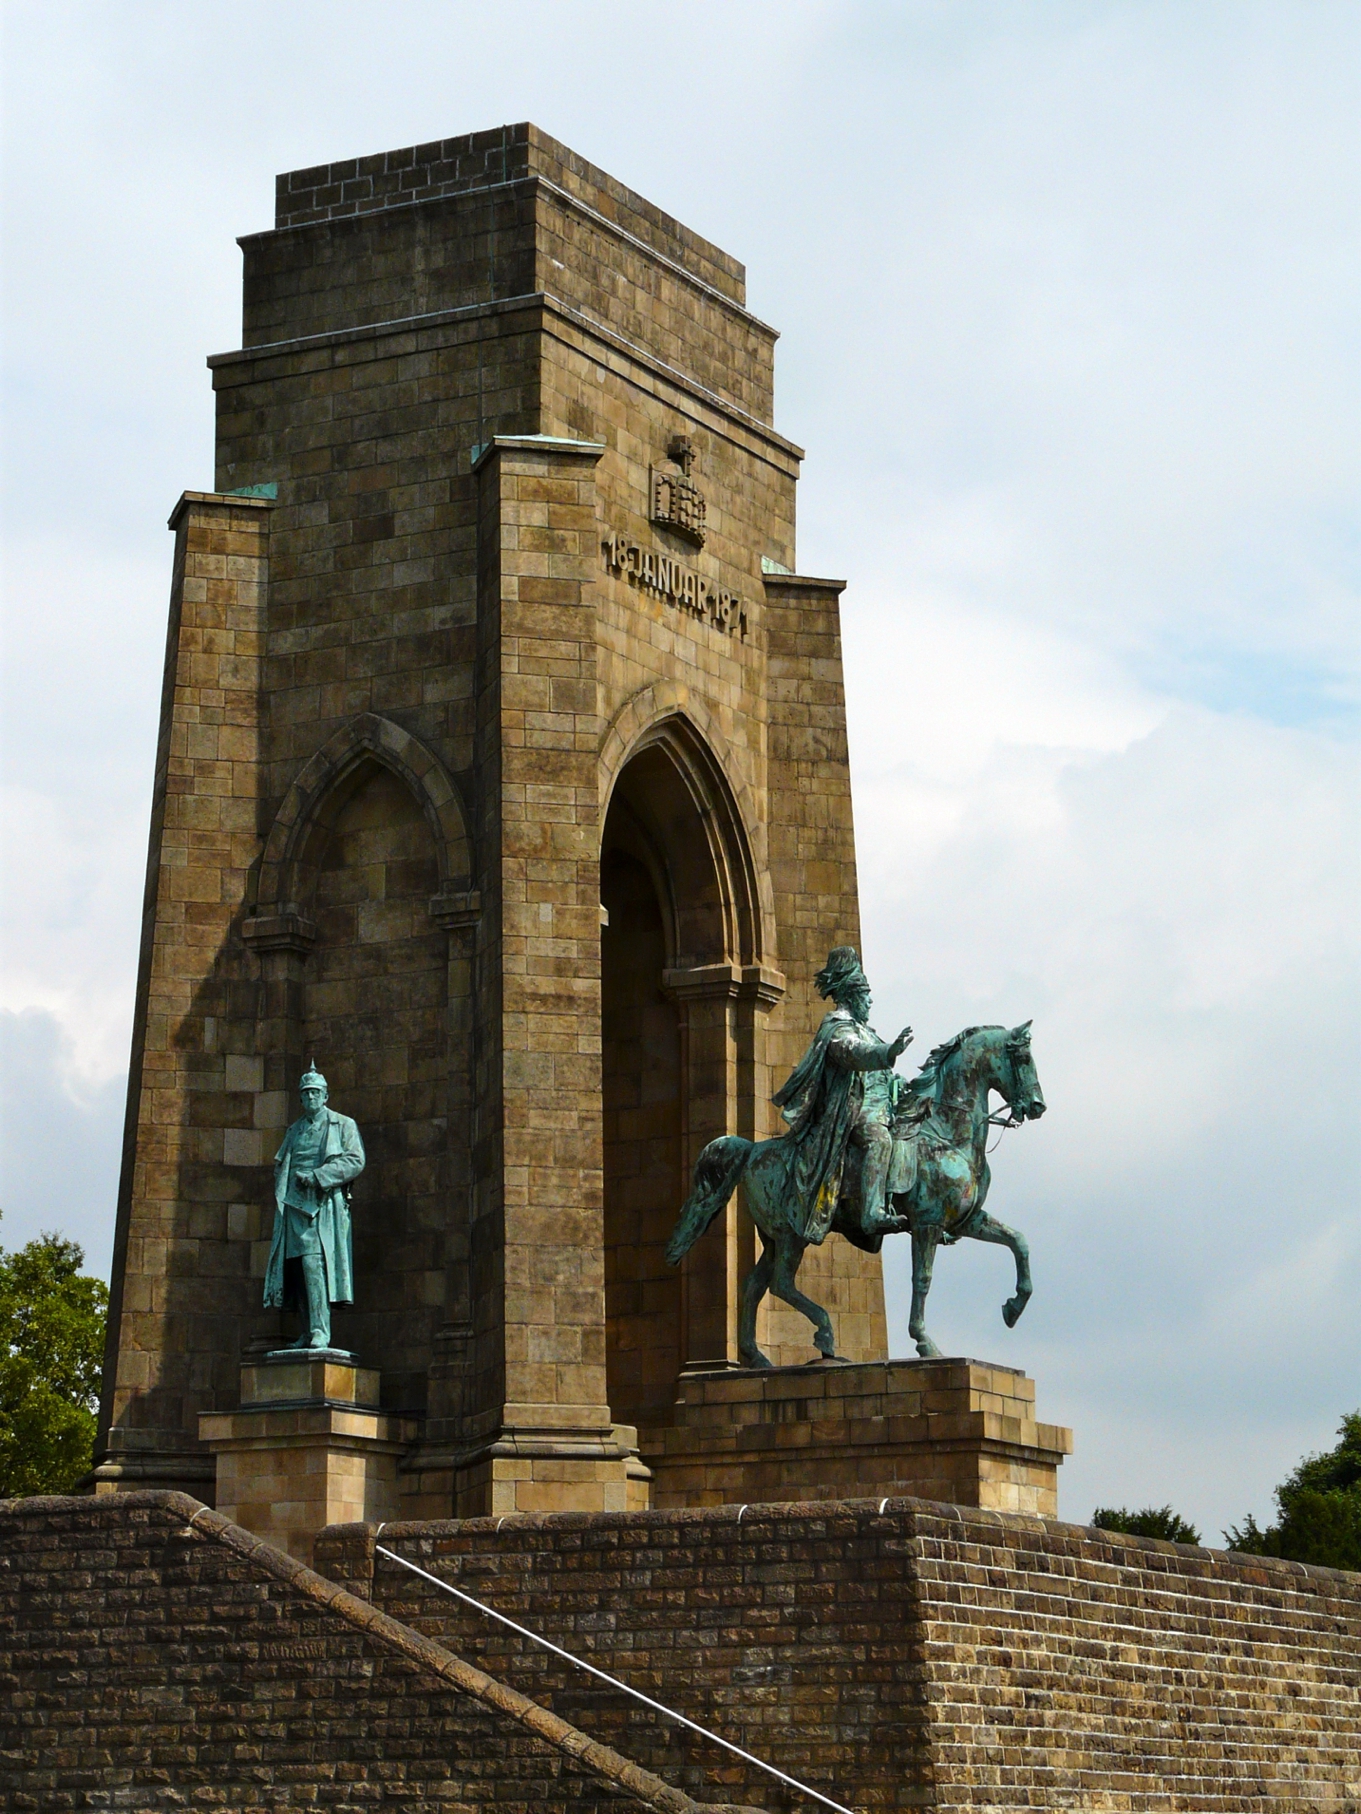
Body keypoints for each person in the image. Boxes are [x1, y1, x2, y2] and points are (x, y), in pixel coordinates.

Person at [772, 947, 913, 1244]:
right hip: (853, 1116)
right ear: (852, 996)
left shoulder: (868, 1031)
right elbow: (853, 1054)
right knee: (880, 1140)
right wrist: (888, 1052)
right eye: (867, 995)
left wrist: (900, 1084)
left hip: (883, 1111)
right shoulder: (837, 1027)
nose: (871, 1001)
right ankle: (872, 1211)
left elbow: (882, 1076)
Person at [263, 1063, 365, 1351]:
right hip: (293, 1209)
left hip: (323, 1209)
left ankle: (320, 1331)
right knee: (297, 1269)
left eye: (315, 1093)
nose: (310, 1098)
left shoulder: (343, 1124)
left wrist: (319, 1177)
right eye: (306, 1093)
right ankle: (308, 1332)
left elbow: (355, 1161)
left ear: (325, 1095)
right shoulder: (294, 1130)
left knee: (314, 1265)